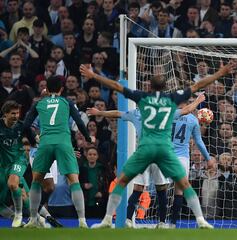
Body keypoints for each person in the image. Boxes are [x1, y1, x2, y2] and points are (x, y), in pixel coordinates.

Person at [79, 61, 234, 229]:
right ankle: (201, 220)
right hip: (164, 149)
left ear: (150, 87)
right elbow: (198, 86)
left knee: (122, 181)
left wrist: (94, 75)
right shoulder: (172, 99)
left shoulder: (142, 98)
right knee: (184, 184)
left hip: (145, 148)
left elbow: (116, 85)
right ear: (165, 87)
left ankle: (107, 220)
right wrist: (220, 73)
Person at [86, 93, 213, 228]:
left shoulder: (136, 113)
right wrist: (198, 101)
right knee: (169, 189)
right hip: (163, 155)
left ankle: (123, 219)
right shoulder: (164, 115)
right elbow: (188, 116)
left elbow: (117, 113)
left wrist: (100, 112)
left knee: (134, 186)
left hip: (145, 154)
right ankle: (169, 222)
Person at [22, 76, 93, 228]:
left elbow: (26, 124)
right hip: (63, 143)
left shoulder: (39, 103)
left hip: (45, 143)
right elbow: (79, 122)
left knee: (36, 181)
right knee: (74, 180)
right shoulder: (67, 102)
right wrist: (87, 137)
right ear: (61, 89)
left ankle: (33, 220)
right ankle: (82, 221)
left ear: (46, 89)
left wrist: (33, 140)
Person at [0, 100, 34, 227]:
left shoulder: (22, 126)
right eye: (13, 113)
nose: (16, 116)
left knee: (13, 184)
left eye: (18, 113)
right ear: (5, 114)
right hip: (3, 164)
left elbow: (34, 140)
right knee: (21, 193)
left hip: (19, 159)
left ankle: (18, 215)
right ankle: (37, 218)